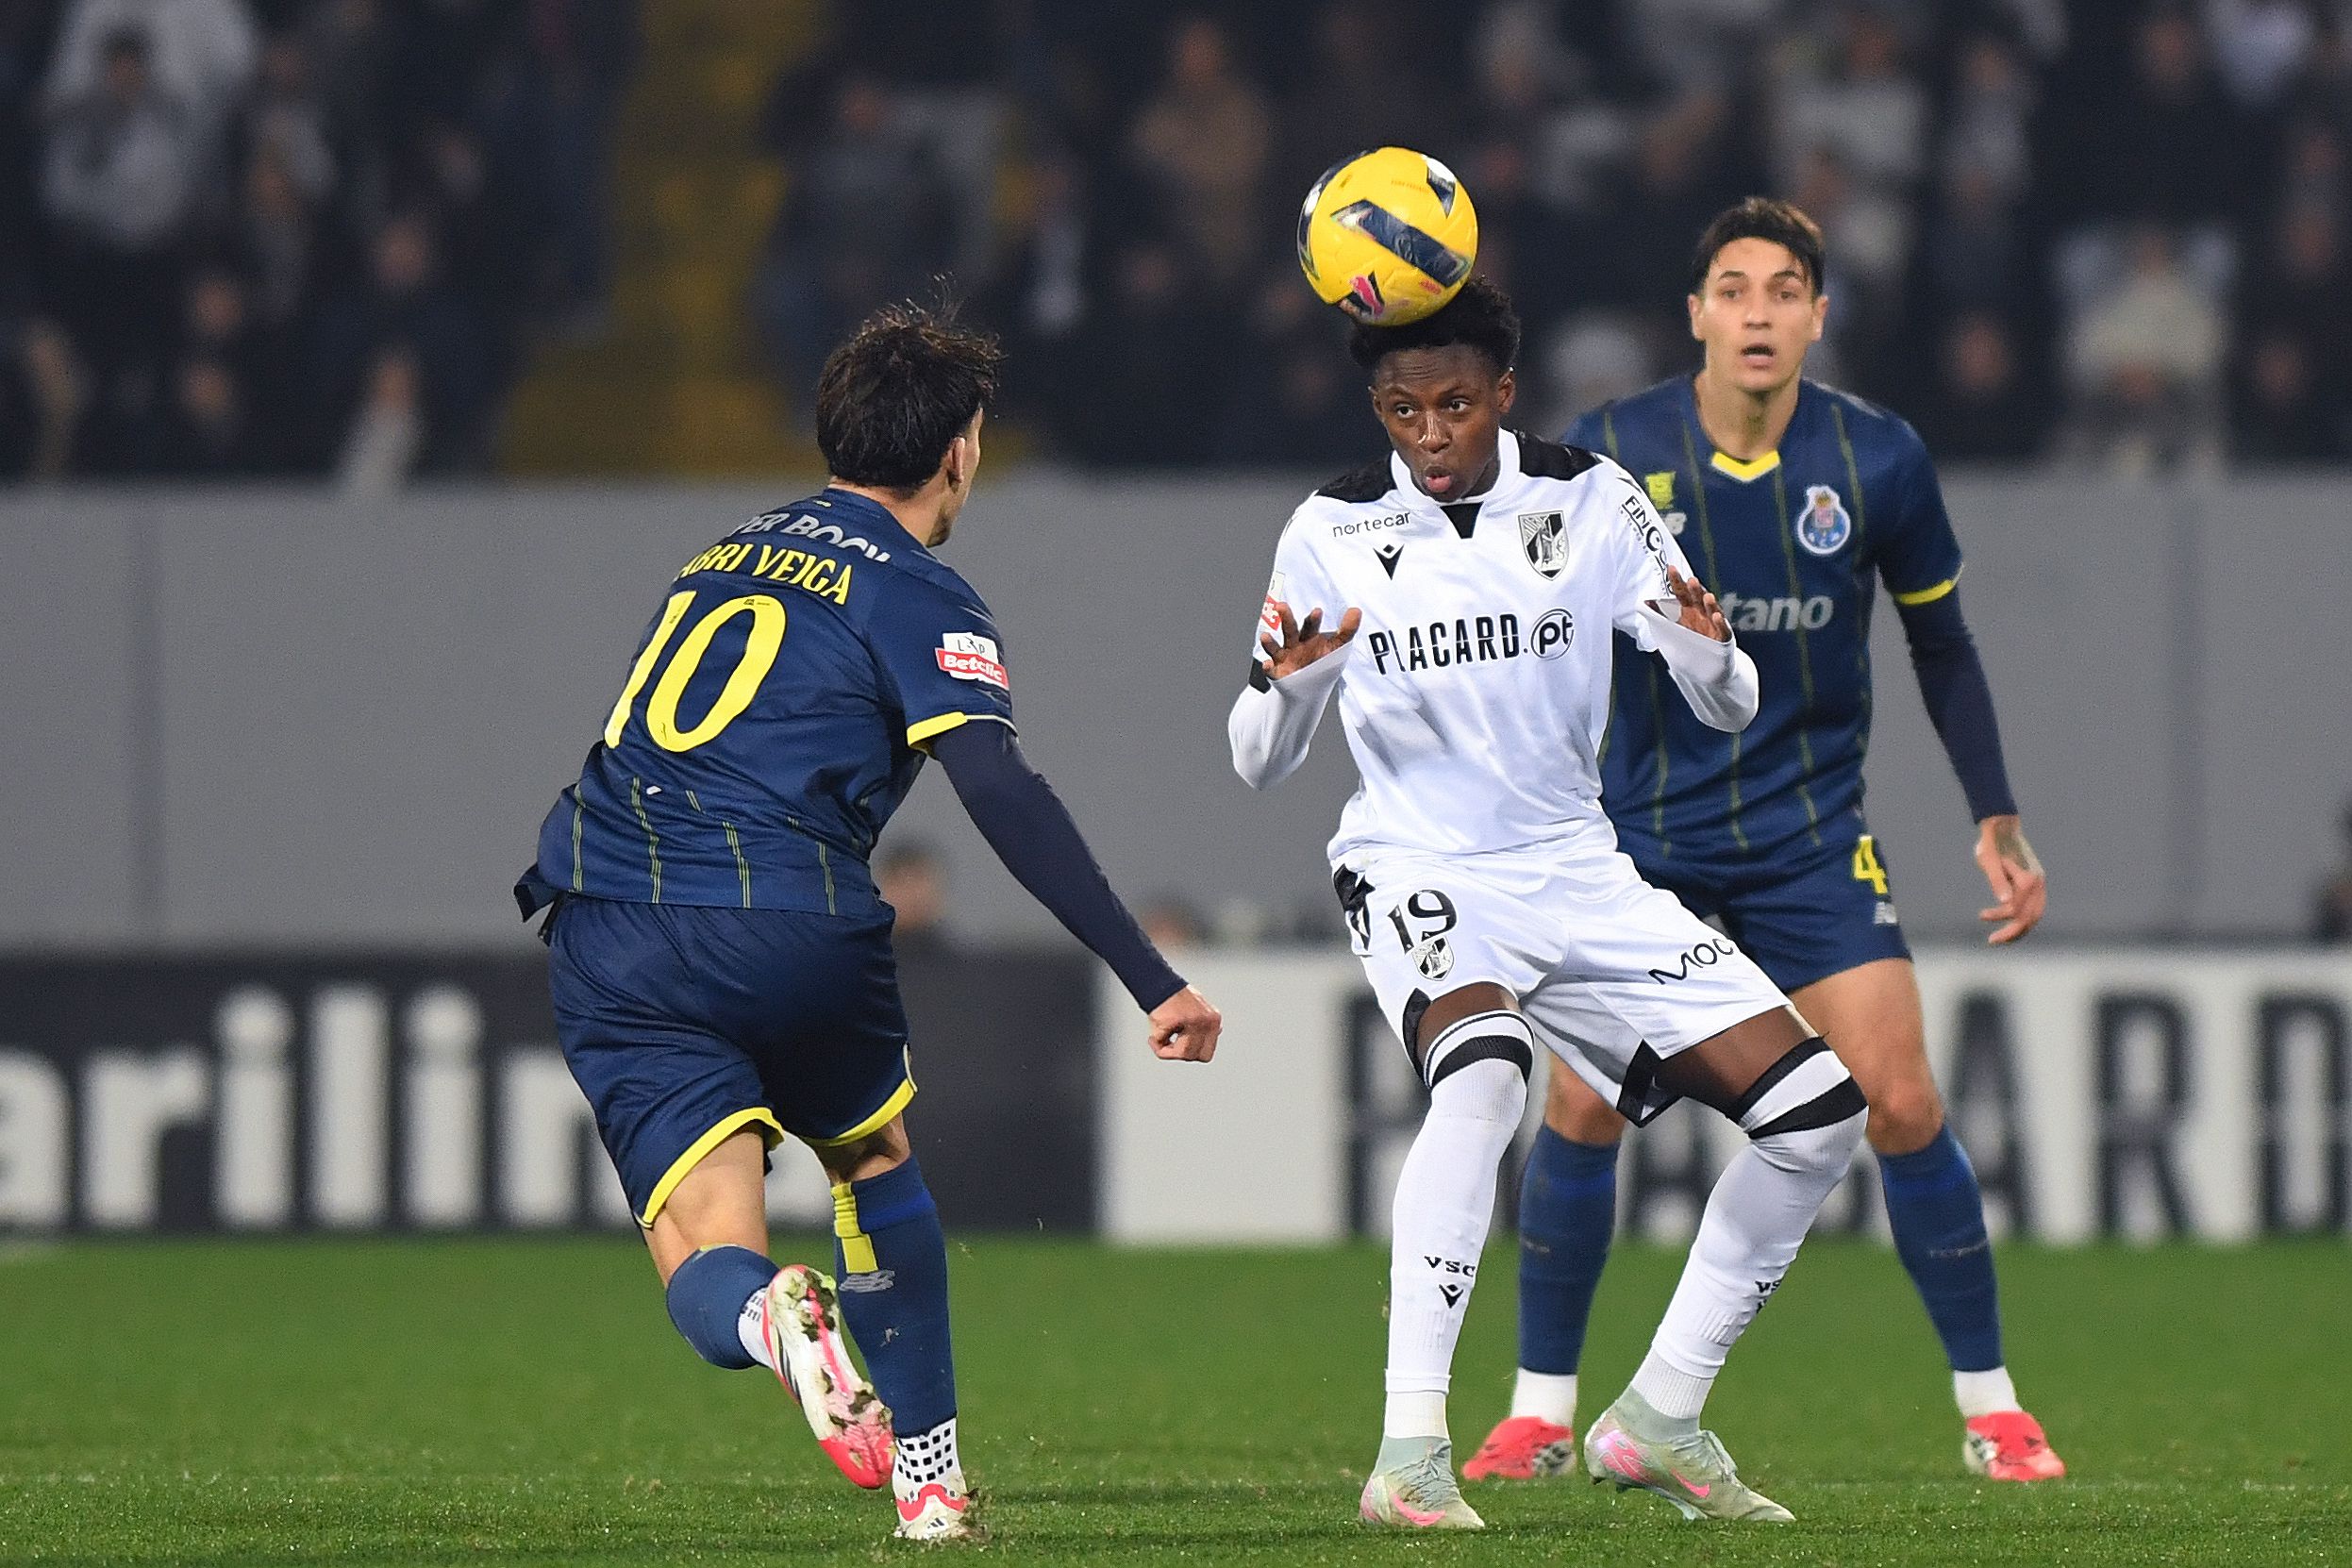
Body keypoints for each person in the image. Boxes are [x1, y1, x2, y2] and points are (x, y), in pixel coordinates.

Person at [515, 302, 1222, 1544]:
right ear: (959, 449)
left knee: (704, 1251)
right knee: (874, 1155)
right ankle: (932, 1484)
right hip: (788, 912)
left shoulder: (716, 557)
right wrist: (1148, 973)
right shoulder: (914, 589)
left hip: (611, 908)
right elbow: (998, 787)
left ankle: (771, 1322)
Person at [1230, 276, 1866, 1528]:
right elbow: (1254, 756)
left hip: (1573, 869)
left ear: (1503, 396)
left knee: (1817, 1114)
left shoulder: (1588, 500)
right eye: (1400, 407)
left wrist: (1705, 650)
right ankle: (1408, 1451)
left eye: (1454, 403)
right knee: (1484, 1074)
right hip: (1415, 866)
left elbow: (1728, 701)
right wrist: (1292, 686)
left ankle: (1660, 1413)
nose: (1427, 431)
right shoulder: (1330, 528)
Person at [1465, 198, 2061, 1490]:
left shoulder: (1877, 461)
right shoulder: (1611, 452)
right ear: (1694, 315)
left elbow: (1940, 647)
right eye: (1731, 289)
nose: (1756, 312)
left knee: (1899, 1097)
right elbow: (1529, 628)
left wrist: (1993, 811)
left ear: (1815, 316)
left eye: (1782, 290)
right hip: (1640, 843)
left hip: (1803, 837)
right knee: (1578, 1101)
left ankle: (1992, 1404)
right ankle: (1538, 1408)